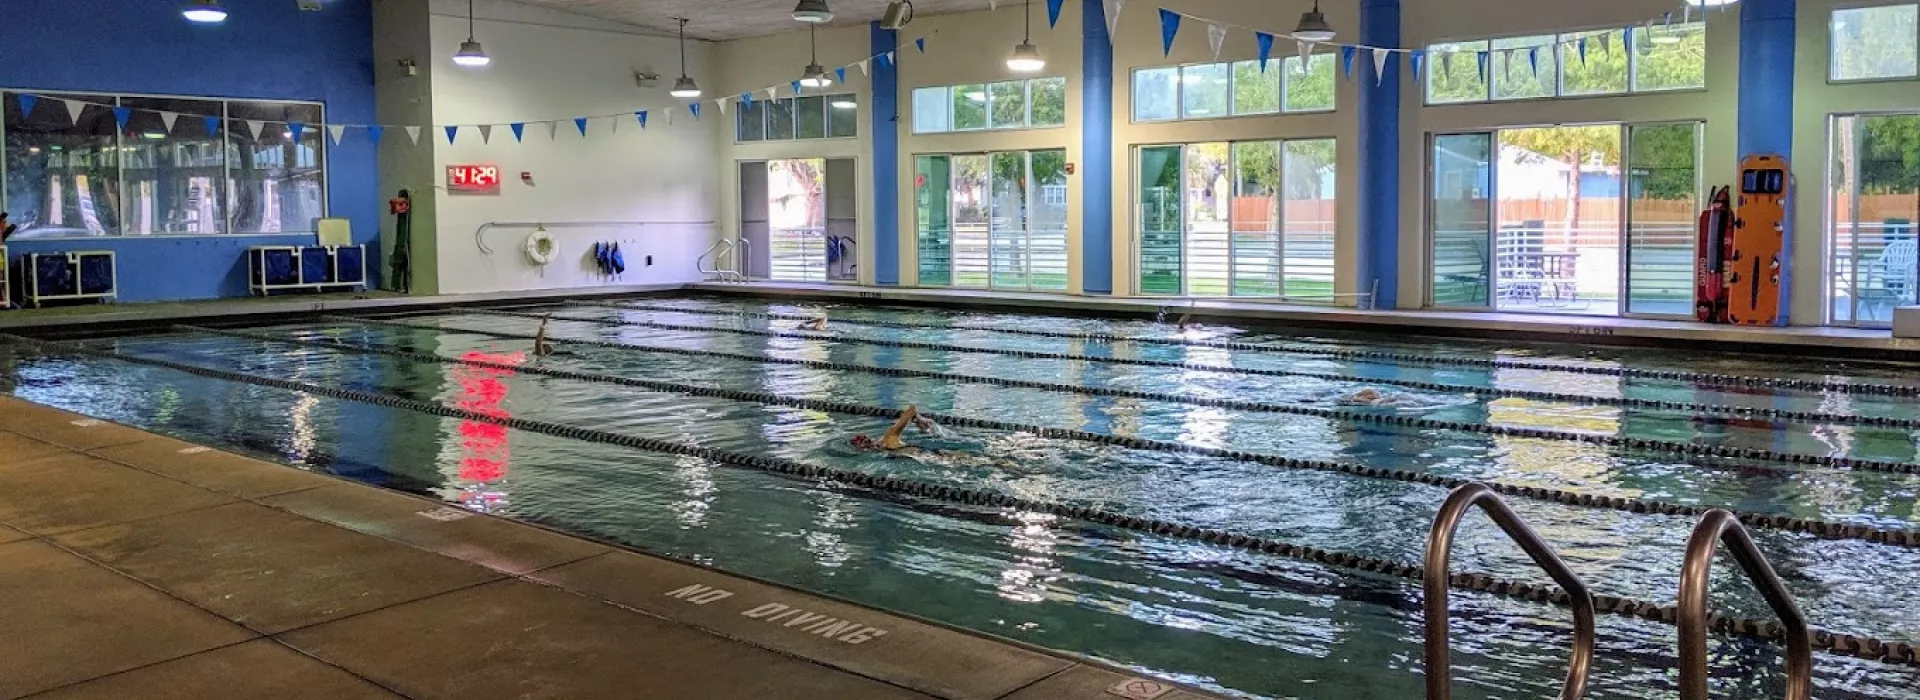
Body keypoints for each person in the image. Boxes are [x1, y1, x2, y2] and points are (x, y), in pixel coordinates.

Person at [851, 405, 935, 454]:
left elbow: (911, 410)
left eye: (869, 442)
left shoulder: (889, 437)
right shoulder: (884, 451)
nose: (872, 445)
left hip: (933, 456)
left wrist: (919, 420)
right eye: (867, 447)